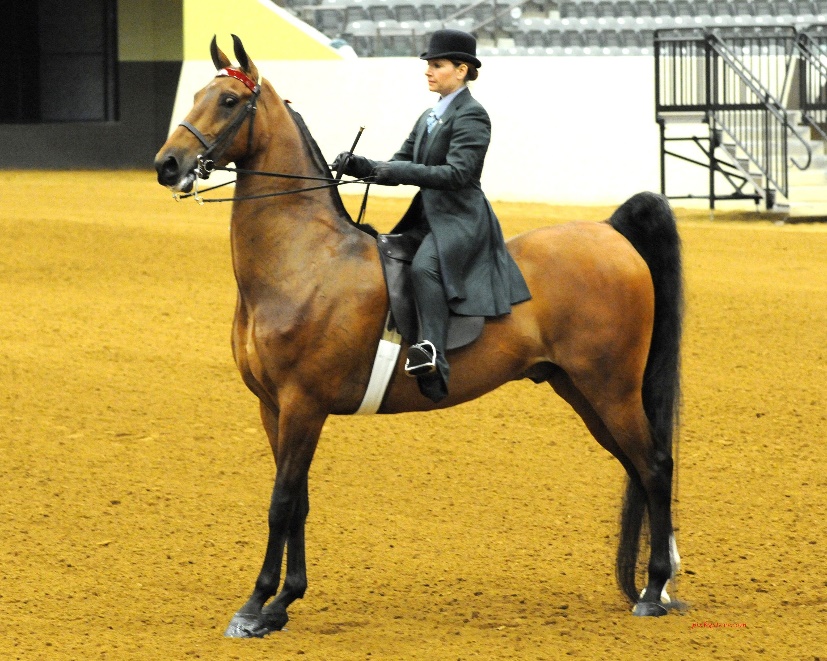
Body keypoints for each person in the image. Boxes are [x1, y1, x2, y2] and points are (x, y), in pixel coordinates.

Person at [333, 29, 531, 403]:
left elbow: (458, 174)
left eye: (437, 65)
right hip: (427, 217)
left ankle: (432, 353)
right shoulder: (429, 116)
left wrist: (397, 172)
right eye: (428, 65)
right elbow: (401, 163)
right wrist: (363, 166)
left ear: (461, 70)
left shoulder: (473, 115)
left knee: (425, 266)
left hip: (462, 218)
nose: (428, 71)